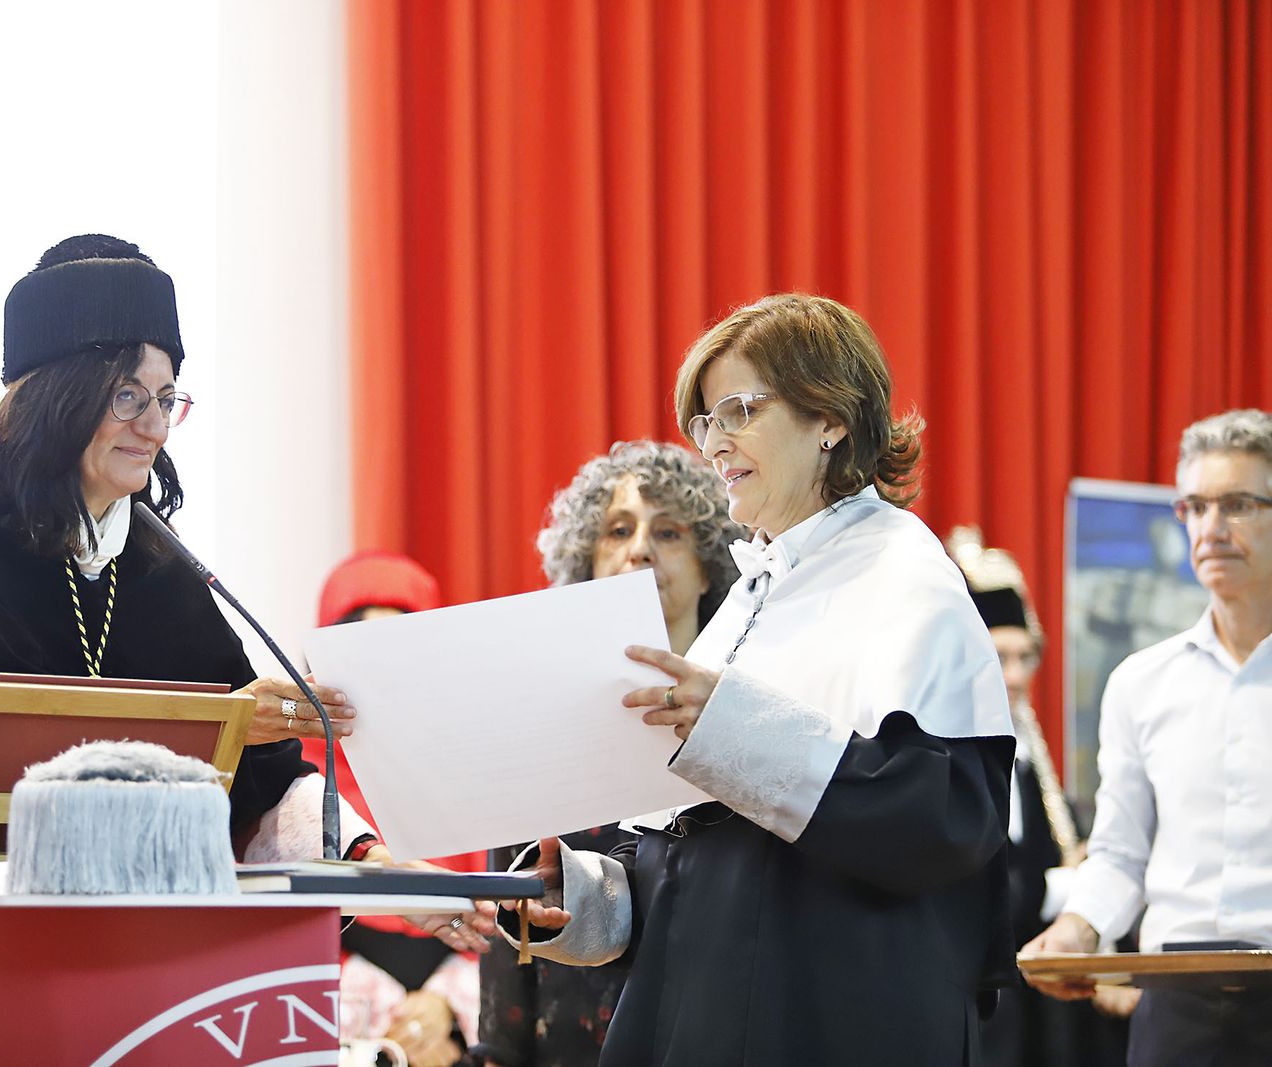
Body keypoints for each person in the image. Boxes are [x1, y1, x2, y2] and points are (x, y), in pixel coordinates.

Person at [498, 293, 1017, 1065]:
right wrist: (575, 894)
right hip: (698, 1013)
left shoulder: (905, 576)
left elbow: (941, 821)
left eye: (740, 410)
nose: (715, 442)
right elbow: (690, 865)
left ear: (829, 417)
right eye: (706, 420)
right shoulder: (751, 594)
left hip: (824, 1019)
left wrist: (731, 725)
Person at [0, 234, 376, 862]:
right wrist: (217, 727)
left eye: (167, 399)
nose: (154, 428)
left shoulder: (157, 559)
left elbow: (269, 783)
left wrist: (373, 860)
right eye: (128, 396)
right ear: (56, 397)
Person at [472, 440, 742, 1067]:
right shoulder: (534, 733)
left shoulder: (743, 721)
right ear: (586, 564)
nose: (640, 548)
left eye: (668, 532)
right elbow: (508, 941)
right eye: (618, 531)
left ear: (709, 567)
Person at [1023, 408, 1272, 1066]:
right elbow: (1120, 851)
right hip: (1176, 1007)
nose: (1211, 528)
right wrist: (1077, 929)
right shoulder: (1141, 682)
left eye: (1238, 504)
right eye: (1195, 506)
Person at [948, 528, 1132, 1067]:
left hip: (1043, 1009)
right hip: (980, 1007)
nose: (1015, 677)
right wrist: (1059, 888)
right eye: (1000, 657)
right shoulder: (945, 754)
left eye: (1025, 657)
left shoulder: (1029, 755)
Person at [308, 550, 485, 1067]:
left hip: (460, 1031)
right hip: (334, 1026)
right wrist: (381, 1012)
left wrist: (443, 1008)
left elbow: (507, 911)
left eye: (398, 644)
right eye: (359, 644)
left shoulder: (473, 762)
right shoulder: (292, 768)